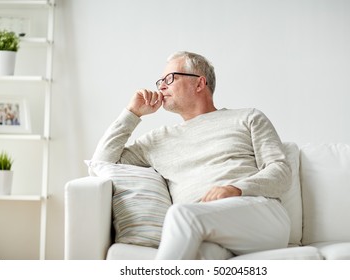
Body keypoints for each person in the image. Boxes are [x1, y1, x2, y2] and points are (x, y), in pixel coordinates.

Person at [92, 51, 291, 260]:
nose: (161, 86)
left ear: (199, 84)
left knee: (181, 214)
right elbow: (101, 163)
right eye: (160, 81)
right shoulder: (157, 140)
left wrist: (235, 189)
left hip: (259, 215)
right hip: (204, 228)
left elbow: (281, 171)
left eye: (170, 78)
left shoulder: (248, 117)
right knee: (199, 255)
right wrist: (132, 113)